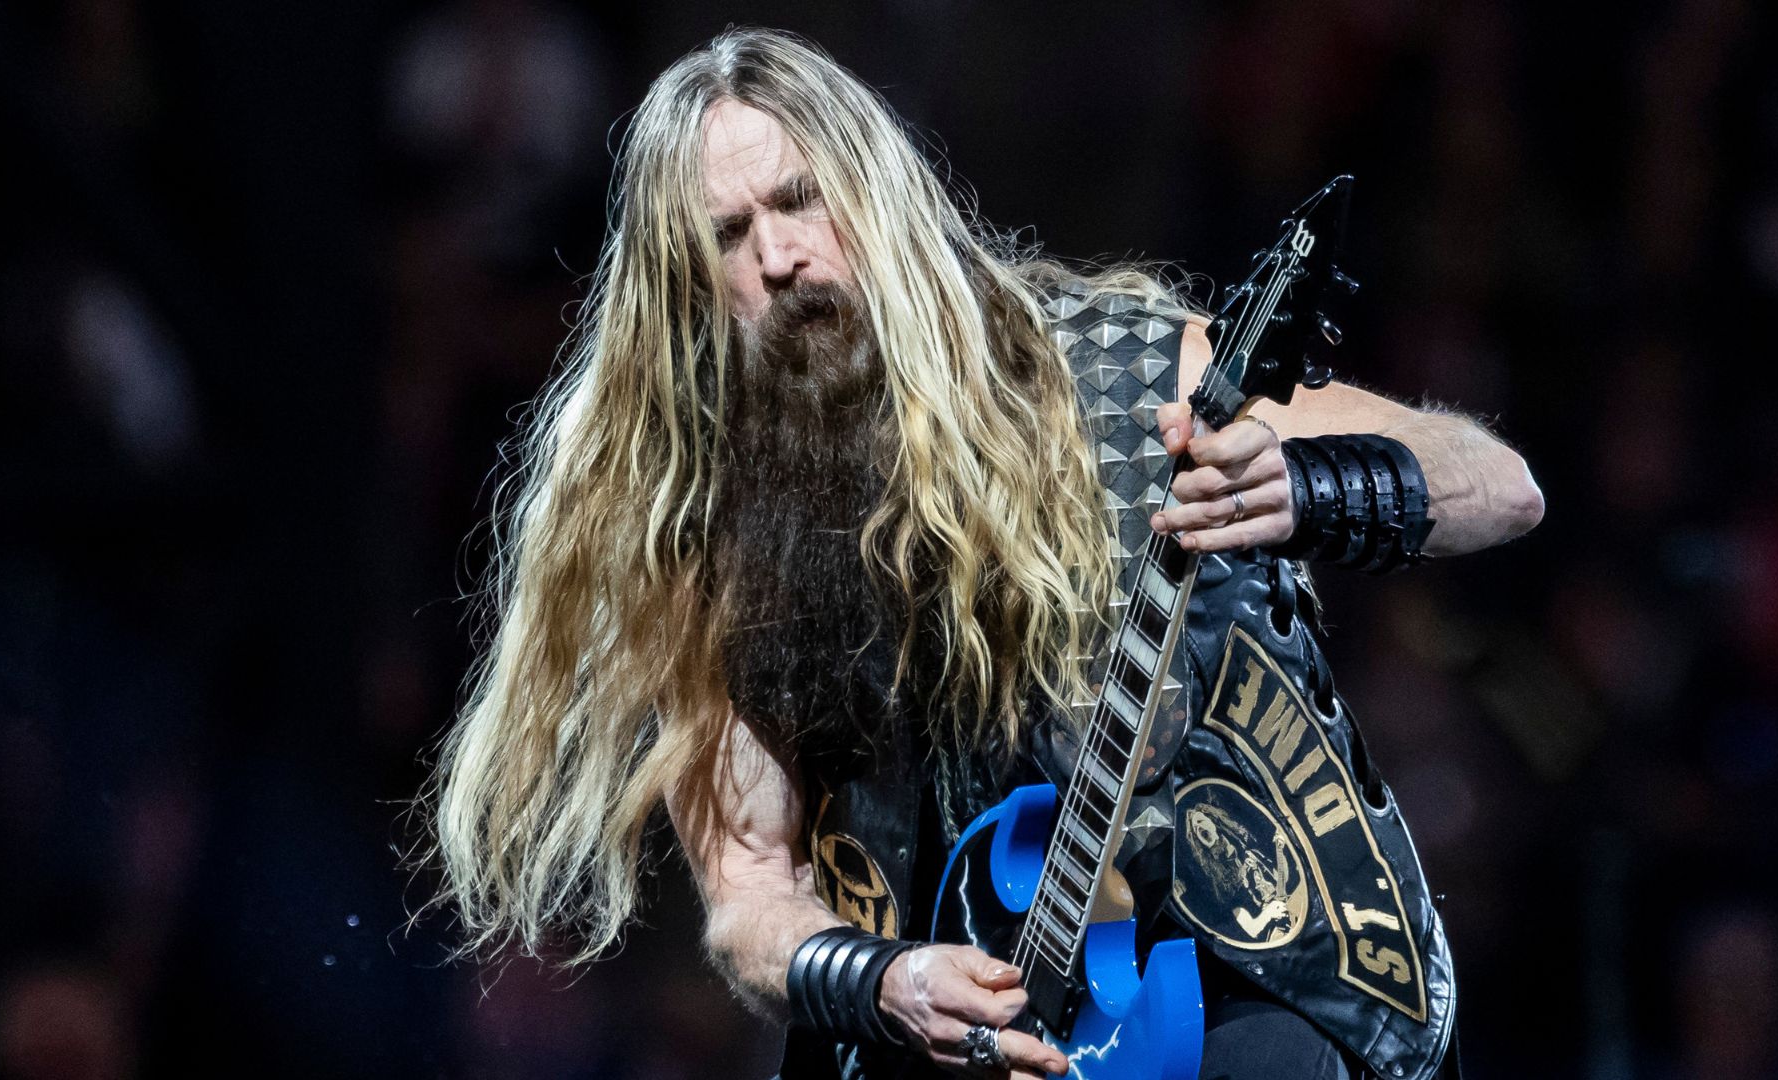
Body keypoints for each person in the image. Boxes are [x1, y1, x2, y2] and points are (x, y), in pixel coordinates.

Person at [425, 27, 1544, 1080]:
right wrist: (887, 979)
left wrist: (1306, 486)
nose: (776, 254)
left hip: (1266, 989)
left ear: (874, 196)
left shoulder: (1115, 370)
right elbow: (748, 891)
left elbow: (1499, 486)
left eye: (800, 200)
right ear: (689, 281)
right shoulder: (713, 536)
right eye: (727, 233)